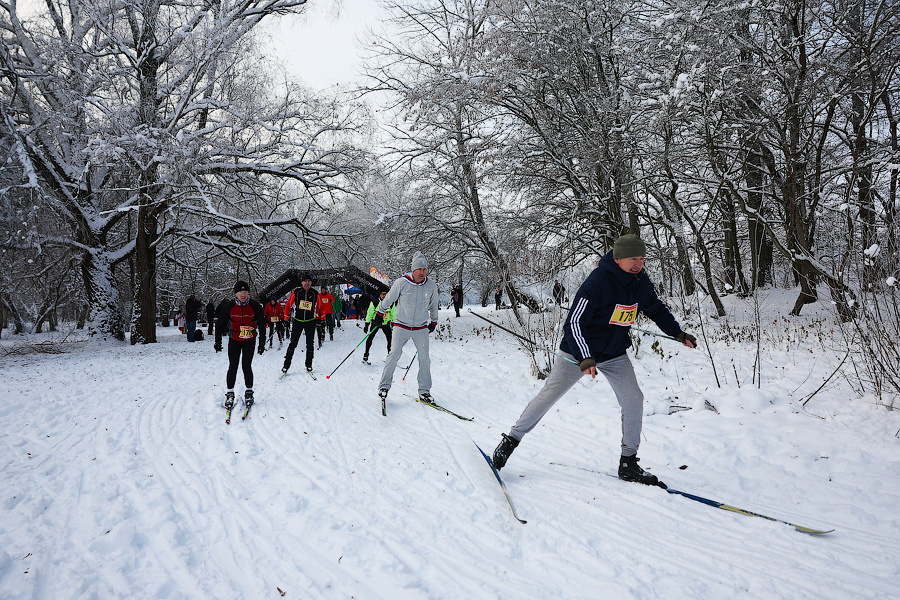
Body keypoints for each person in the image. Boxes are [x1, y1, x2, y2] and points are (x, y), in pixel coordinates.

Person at [491, 234, 697, 488]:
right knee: (549, 395)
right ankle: (510, 441)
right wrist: (585, 356)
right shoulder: (597, 282)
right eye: (634, 258)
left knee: (633, 399)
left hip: (614, 353)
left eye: (642, 259)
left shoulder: (640, 282)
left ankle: (628, 462)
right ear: (619, 258)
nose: (638, 264)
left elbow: (655, 308)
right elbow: (574, 322)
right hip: (578, 352)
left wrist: (677, 333)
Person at [374, 251, 439, 402]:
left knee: (425, 358)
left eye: (424, 269)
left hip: (420, 327)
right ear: (413, 269)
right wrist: (379, 313)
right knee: (394, 354)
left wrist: (434, 321)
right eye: (419, 269)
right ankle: (384, 387)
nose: (422, 272)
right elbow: (389, 299)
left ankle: (424, 391)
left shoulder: (430, 285)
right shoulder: (402, 282)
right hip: (401, 325)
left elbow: (434, 304)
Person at [214, 281, 266, 411]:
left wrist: (261, 343)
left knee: (246, 366)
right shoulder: (229, 306)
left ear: (248, 293)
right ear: (235, 294)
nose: (243, 295)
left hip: (249, 340)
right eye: (240, 292)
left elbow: (262, 325)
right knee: (233, 366)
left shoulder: (255, 306)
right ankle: (230, 393)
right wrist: (218, 342)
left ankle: (249, 392)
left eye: (245, 292)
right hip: (235, 340)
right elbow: (220, 325)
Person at [282, 273, 319, 374]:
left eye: (309, 281)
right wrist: (286, 318)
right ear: (302, 282)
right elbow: (287, 306)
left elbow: (319, 307)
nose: (307, 283)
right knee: (293, 343)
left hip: (310, 322)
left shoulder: (315, 293)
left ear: (311, 283)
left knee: (310, 344)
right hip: (297, 321)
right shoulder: (296, 292)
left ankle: (309, 365)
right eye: (305, 281)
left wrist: (320, 318)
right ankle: (286, 365)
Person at [363, 291, 395, 363]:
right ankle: (366, 353)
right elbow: (369, 314)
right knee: (370, 338)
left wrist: (393, 322)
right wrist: (366, 324)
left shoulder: (391, 303)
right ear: (380, 295)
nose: (384, 296)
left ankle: (390, 355)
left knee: (390, 339)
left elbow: (393, 314)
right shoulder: (375, 302)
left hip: (385, 324)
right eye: (382, 294)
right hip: (376, 323)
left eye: (385, 295)